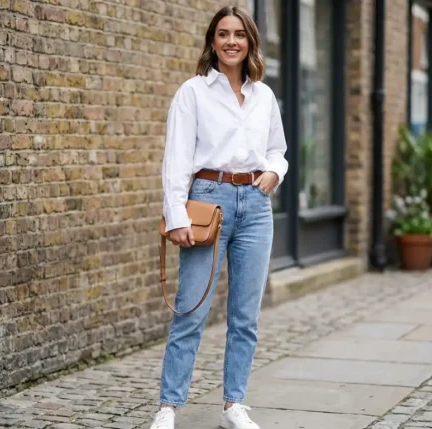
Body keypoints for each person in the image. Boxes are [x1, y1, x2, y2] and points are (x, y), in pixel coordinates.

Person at [150, 5, 288, 429]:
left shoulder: (264, 96)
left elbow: (278, 150)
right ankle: (168, 407)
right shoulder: (193, 92)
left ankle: (234, 405)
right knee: (191, 310)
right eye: (223, 34)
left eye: (239, 34)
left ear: (250, 42)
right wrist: (176, 216)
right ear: (212, 41)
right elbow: (176, 160)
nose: (231, 41)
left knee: (246, 317)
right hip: (207, 202)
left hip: (256, 206)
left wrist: (274, 172)